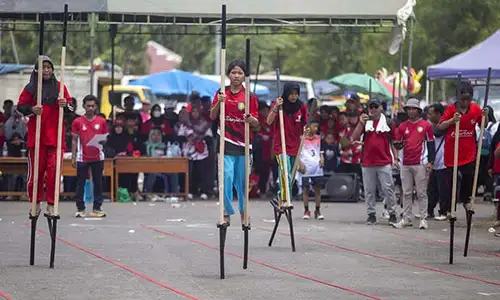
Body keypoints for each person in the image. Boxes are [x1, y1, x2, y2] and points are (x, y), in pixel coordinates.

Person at [17, 56, 73, 216]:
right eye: (43, 67)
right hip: (37, 138)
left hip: (55, 137)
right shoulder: (31, 88)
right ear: (37, 70)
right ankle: (35, 203)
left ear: (53, 70)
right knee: (36, 173)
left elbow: (70, 107)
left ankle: (51, 204)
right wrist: (32, 109)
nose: (47, 70)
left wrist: (65, 104)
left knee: (54, 171)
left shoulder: (60, 87)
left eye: (49, 67)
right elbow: (20, 107)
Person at [210, 60, 259, 225]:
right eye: (233, 72)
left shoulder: (249, 96)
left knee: (243, 182)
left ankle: (244, 212)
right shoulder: (221, 92)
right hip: (225, 142)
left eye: (240, 73)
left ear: (244, 76)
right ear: (228, 74)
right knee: (226, 178)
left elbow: (258, 124)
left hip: (244, 144)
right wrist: (219, 102)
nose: (236, 76)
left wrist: (250, 119)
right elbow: (212, 116)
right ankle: (226, 212)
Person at [438, 82, 488, 214]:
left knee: (468, 177)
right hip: (452, 152)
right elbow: (440, 126)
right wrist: (451, 121)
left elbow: (484, 125)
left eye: (468, 99)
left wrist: (485, 115)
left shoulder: (475, 109)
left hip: (468, 152)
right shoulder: (450, 109)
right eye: (462, 99)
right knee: (451, 182)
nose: (465, 102)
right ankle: (449, 207)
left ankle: (466, 200)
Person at [352, 98, 398, 225]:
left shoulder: (388, 122)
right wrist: (360, 123)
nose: (372, 109)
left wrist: (396, 158)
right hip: (367, 161)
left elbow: (394, 141)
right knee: (369, 190)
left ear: (381, 108)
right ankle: (371, 214)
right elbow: (354, 137)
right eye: (370, 107)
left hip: (384, 161)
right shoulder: (365, 122)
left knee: (388, 189)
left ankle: (392, 213)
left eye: (375, 107)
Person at [391, 98, 435, 229]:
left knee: (421, 192)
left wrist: (430, 162)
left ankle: (423, 218)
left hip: (420, 162)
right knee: (406, 192)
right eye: (409, 108)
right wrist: (397, 158)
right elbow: (397, 144)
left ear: (418, 110)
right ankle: (406, 218)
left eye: (413, 108)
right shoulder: (402, 126)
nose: (411, 111)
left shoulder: (426, 125)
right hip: (406, 163)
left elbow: (431, 144)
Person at [267, 83, 308, 208]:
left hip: (295, 147)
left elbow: (306, 124)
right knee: (284, 172)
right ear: (286, 93)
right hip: (281, 145)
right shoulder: (278, 104)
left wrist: (307, 129)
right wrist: (276, 108)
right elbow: (269, 121)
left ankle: (280, 196)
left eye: (296, 94)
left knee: (290, 176)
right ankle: (286, 200)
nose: (293, 96)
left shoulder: (301, 107)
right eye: (291, 94)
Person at [71, 95, 108, 217]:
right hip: (82, 156)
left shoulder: (102, 121)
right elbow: (74, 140)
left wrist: (102, 141)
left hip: (98, 156)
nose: (90, 108)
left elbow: (105, 139)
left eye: (93, 106)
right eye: (88, 106)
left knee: (98, 182)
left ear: (96, 106)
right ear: (84, 106)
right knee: (80, 183)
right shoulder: (77, 122)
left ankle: (97, 208)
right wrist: (73, 156)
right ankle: (80, 208)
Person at [297, 121, 324, 220]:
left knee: (317, 190)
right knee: (306, 190)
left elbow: (321, 150)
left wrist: (322, 158)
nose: (316, 128)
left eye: (317, 126)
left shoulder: (318, 138)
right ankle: (306, 210)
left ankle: (317, 210)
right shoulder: (301, 139)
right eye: (314, 126)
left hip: (317, 167)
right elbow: (298, 153)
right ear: (308, 127)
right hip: (306, 167)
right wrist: (300, 164)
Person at [427, 103, 449, 220]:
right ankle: (429, 210)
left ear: (438, 114)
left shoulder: (443, 126)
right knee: (432, 189)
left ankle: (443, 212)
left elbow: (437, 132)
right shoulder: (434, 126)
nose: (429, 116)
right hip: (435, 163)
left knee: (443, 189)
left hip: (444, 163)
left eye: (431, 114)